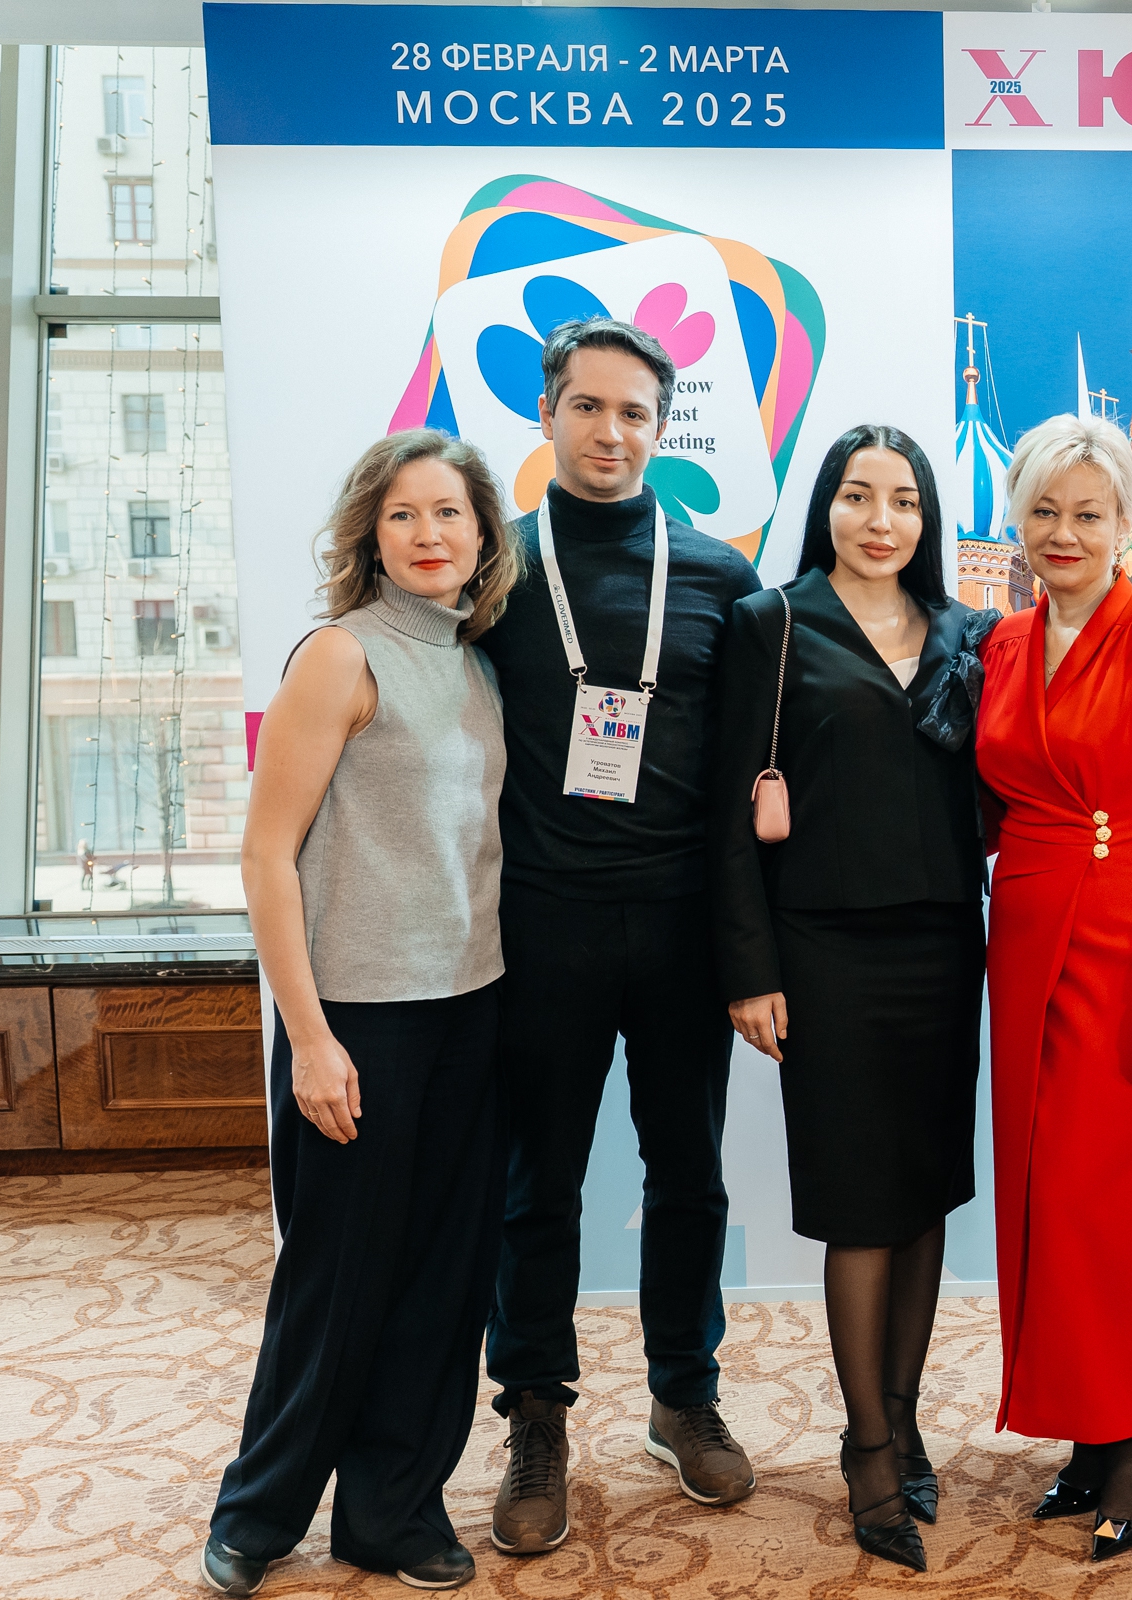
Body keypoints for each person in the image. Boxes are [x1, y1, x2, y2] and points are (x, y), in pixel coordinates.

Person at [200, 430, 518, 1596]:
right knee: (336, 1281)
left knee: (443, 1280)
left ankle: (391, 1510)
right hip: (360, 1022)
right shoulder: (341, 654)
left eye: (450, 513)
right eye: (404, 515)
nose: (431, 533)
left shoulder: (475, 664)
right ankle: (258, 1512)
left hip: (472, 1010)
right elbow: (266, 856)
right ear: (370, 537)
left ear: (483, 534)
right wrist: (311, 1038)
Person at [480, 318, 763, 1556]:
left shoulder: (718, 576)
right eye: (588, 407)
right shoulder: (490, 568)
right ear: (547, 413)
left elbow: (750, 771)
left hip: (683, 927)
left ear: (662, 426)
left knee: (687, 1174)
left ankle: (682, 1395)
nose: (611, 431)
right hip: (540, 922)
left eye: (635, 412)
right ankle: (535, 1413)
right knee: (537, 1181)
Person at [717, 425, 996, 1574]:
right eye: (857, 495)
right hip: (822, 949)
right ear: (824, 505)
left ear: (928, 519)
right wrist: (749, 967)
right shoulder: (772, 624)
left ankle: (906, 1415)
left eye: (904, 500)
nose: (882, 520)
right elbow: (728, 810)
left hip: (944, 945)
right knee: (859, 1205)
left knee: (924, 1195)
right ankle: (868, 1448)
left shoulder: (967, 633)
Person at [973, 413, 1132, 1562]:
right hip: (1027, 942)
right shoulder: (1004, 641)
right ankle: (1083, 1432)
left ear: (1126, 519)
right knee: (1047, 1201)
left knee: (1124, 1209)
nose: (1064, 532)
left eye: (1087, 512)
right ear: (1017, 519)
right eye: (1043, 510)